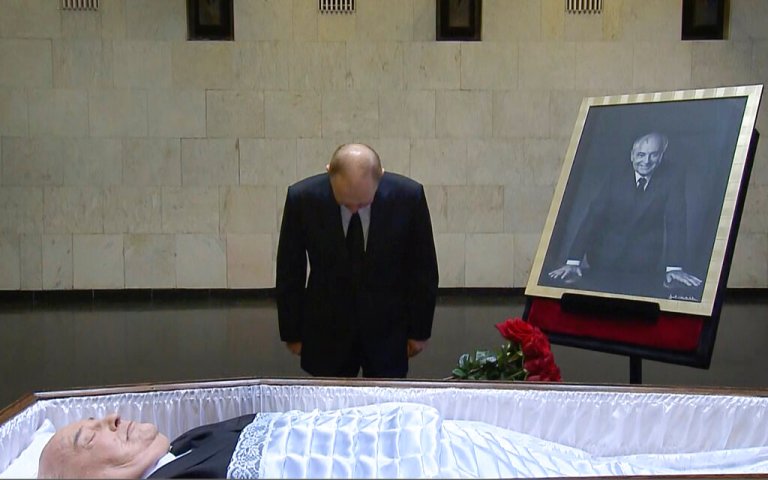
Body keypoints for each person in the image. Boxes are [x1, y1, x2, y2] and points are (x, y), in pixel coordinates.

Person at [37, 403, 768, 479]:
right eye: (85, 436)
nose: (107, 420)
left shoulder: (188, 442)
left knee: (603, 465)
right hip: (433, 469)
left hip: (438, 440)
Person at [276, 143, 439, 378]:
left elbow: (423, 266)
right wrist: (292, 332)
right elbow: (290, 269)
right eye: (344, 202)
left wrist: (420, 330)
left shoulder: (408, 197)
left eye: (363, 204)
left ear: (380, 176)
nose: (353, 209)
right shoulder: (302, 199)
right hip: (326, 329)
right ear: (329, 172)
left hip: (387, 327)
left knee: (385, 408)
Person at [547, 132, 702, 298]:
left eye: (653, 155)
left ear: (662, 155)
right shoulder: (616, 173)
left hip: (644, 263)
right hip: (603, 257)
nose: (646, 161)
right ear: (632, 155)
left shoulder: (673, 176)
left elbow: (675, 220)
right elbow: (594, 215)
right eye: (641, 155)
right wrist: (573, 261)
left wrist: (675, 267)